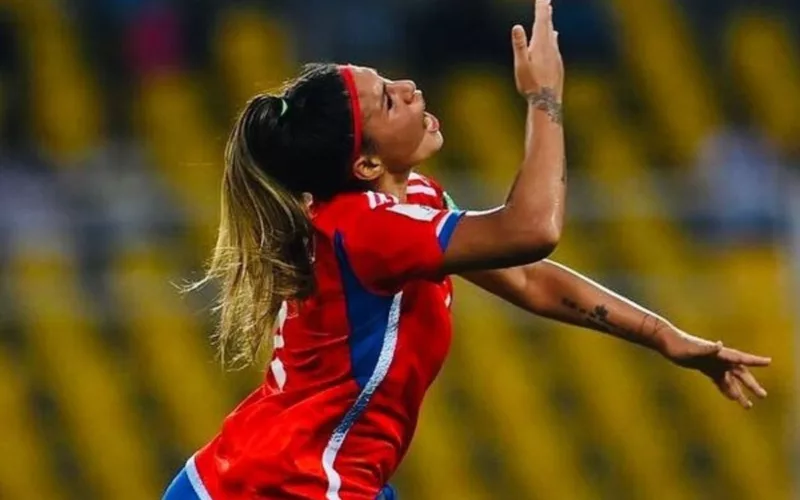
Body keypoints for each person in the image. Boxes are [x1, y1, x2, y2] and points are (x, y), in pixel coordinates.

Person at [163, 1, 770, 498]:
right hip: (288, 484)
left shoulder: (406, 206)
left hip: (264, 474)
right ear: (366, 162)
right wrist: (544, 99)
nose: (409, 86)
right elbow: (532, 227)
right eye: (389, 100)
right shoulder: (370, 228)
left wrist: (662, 335)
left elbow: (529, 278)